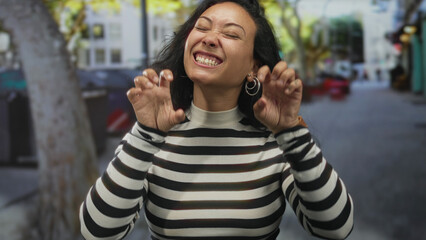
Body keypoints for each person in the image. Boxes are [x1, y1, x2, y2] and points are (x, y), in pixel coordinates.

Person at [80, 0, 354, 239]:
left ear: (254, 67)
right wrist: (145, 134)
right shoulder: (152, 136)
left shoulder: (276, 143)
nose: (210, 38)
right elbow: (97, 232)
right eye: (202, 27)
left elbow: (336, 227)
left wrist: (291, 132)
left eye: (231, 34)